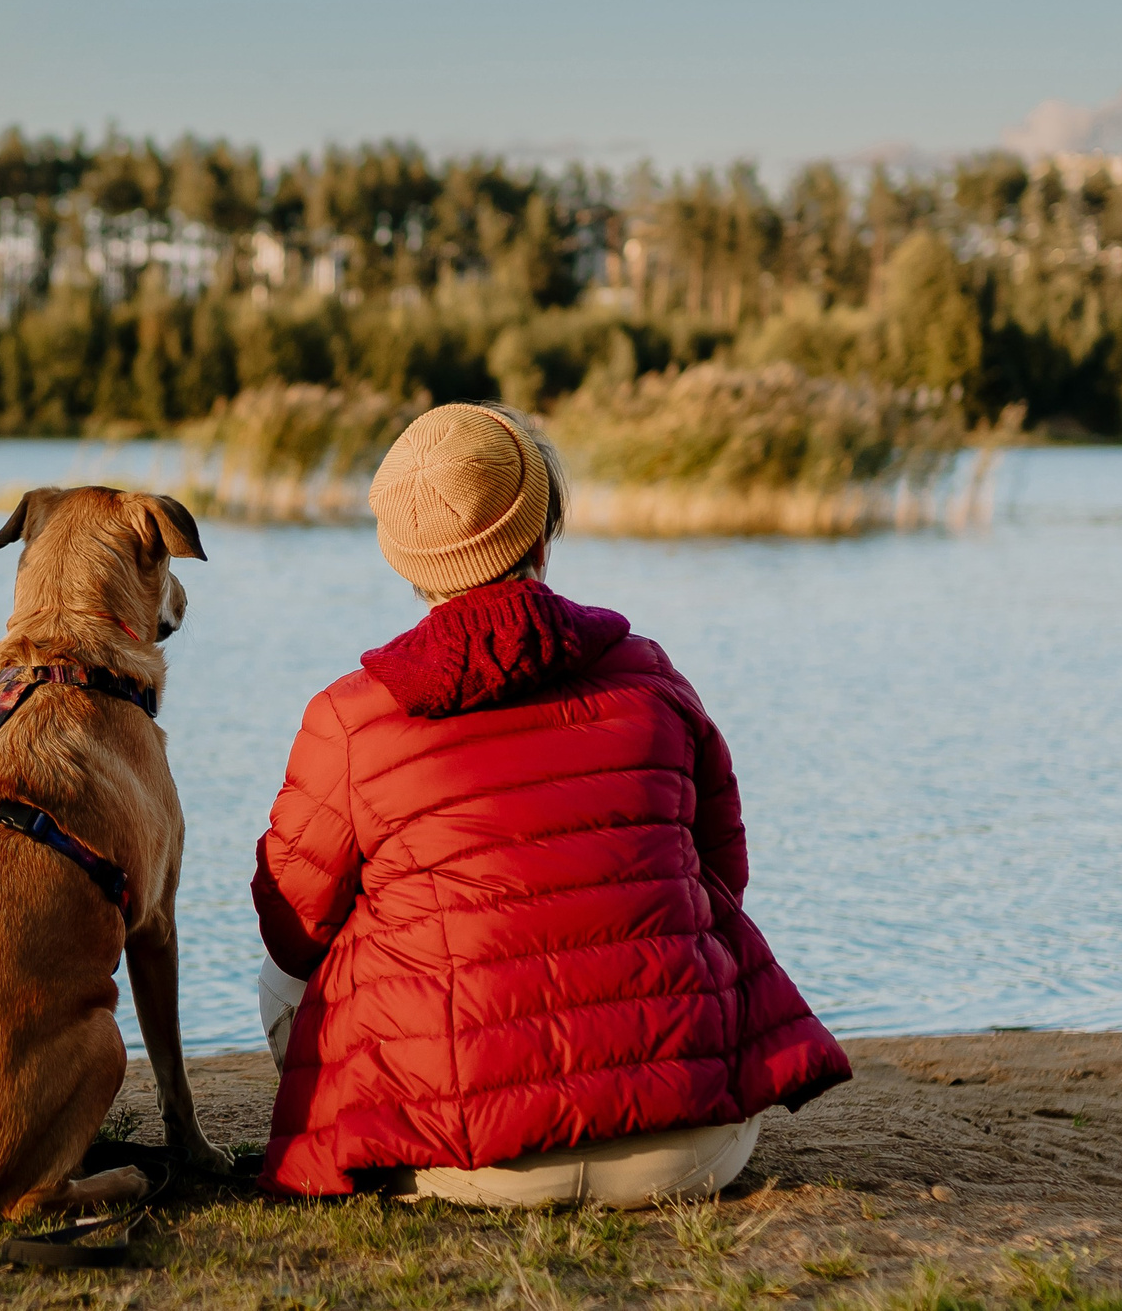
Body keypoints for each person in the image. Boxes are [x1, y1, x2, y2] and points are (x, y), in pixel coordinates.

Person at [252, 402, 849, 1206]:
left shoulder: (351, 716)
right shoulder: (649, 675)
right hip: (693, 1146)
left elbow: (293, 934)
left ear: (405, 559)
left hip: (467, 1163)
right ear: (539, 534)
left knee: (292, 963)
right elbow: (723, 878)